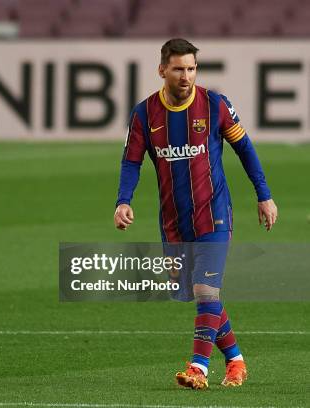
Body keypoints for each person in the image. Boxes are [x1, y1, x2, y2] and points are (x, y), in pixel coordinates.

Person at [113, 38, 278, 390]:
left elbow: (245, 149)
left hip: (214, 214)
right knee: (197, 293)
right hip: (174, 221)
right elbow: (131, 162)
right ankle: (235, 361)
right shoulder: (144, 114)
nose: (186, 75)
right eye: (178, 69)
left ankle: (198, 368)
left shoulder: (214, 105)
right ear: (162, 70)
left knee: (206, 290)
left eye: (191, 68)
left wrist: (264, 195)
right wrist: (123, 201)